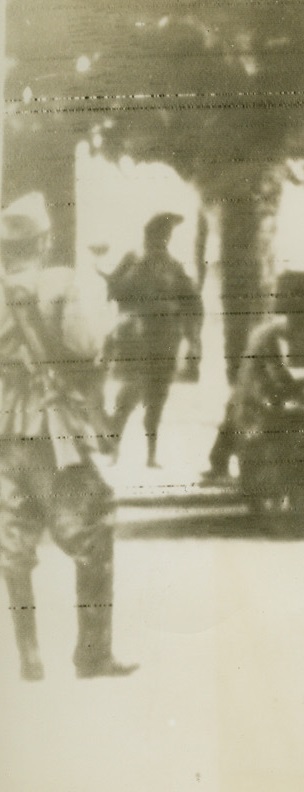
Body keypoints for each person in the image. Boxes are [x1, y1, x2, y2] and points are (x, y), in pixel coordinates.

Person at [0, 192, 137, 681]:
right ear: (44, 240)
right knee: (93, 526)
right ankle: (93, 654)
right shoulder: (59, 284)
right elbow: (84, 346)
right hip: (48, 425)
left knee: (12, 540)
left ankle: (29, 654)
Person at [106, 212, 203, 467]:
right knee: (128, 396)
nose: (163, 240)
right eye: (160, 235)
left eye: (167, 235)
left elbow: (191, 301)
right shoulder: (133, 260)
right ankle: (112, 449)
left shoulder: (173, 266)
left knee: (158, 396)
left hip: (166, 339)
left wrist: (192, 335)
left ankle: (151, 454)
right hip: (137, 338)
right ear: (149, 236)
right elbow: (115, 290)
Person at [199, 315, 301, 489]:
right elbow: (275, 367)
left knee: (230, 424)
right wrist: (294, 390)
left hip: (244, 385)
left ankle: (217, 465)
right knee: (252, 431)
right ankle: (247, 474)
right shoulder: (270, 337)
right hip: (253, 389)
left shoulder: (262, 331)